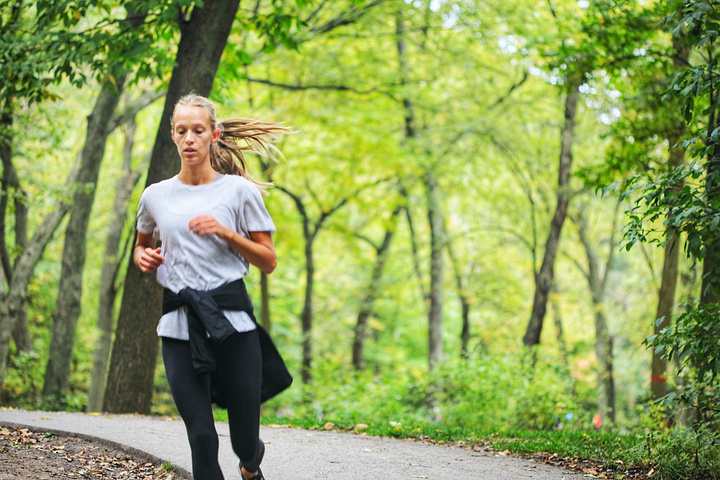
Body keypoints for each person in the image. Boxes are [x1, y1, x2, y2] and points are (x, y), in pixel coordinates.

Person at [134, 93, 292, 480]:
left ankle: (251, 465)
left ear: (214, 135)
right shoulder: (155, 195)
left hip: (232, 324)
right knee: (202, 437)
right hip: (179, 324)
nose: (190, 138)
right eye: (182, 131)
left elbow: (267, 260)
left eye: (198, 130)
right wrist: (144, 258)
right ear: (172, 135)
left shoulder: (239, 192)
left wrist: (225, 232)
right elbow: (141, 248)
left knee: (244, 441)